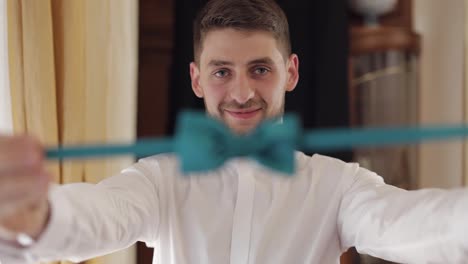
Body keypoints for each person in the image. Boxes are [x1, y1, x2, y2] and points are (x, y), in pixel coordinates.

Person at [1, 0, 468, 263]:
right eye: (222, 71)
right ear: (196, 79)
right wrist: (34, 217)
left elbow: (412, 223)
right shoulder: (158, 181)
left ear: (291, 72)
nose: (242, 93)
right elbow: (101, 213)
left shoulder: (339, 186)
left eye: (260, 69)